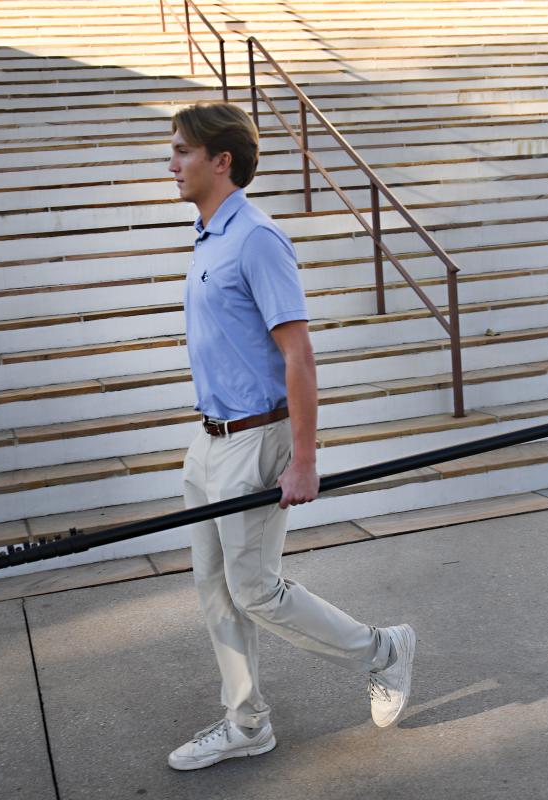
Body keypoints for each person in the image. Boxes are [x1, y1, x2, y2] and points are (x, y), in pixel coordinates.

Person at [165, 102, 416, 772]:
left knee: (254, 589)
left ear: (222, 160)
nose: (173, 162)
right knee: (214, 588)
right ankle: (245, 722)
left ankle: (382, 651)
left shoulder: (256, 239)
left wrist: (304, 458)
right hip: (210, 439)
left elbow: (298, 355)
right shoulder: (207, 236)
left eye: (184, 150)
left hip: (256, 438)